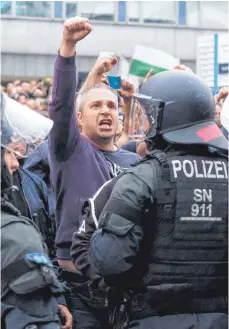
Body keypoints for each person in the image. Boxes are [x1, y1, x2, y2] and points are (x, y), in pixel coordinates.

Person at [89, 70, 228, 329]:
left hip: (152, 317)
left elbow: (109, 262)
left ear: (166, 117)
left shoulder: (141, 178)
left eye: (149, 114)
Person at [49, 16, 140, 329]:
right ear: (79, 118)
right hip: (77, 293)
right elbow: (60, 105)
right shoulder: (70, 153)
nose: (105, 111)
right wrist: (68, 47)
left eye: (111, 107)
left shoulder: (135, 165)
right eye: (96, 106)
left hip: (127, 294)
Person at [1, 120, 72, 329]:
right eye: (6, 150)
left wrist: (55, 298)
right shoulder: (16, 232)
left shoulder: (34, 183)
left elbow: (49, 242)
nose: (14, 162)